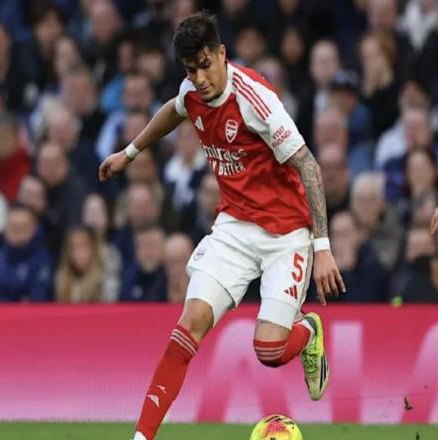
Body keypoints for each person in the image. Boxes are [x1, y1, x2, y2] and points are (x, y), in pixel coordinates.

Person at [98, 12, 344, 440]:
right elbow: (173, 111)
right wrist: (130, 152)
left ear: (222, 53)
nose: (200, 78)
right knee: (187, 326)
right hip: (234, 226)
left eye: (205, 65)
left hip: (286, 232)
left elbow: (308, 165)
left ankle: (307, 332)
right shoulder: (191, 91)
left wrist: (322, 247)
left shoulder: (255, 100)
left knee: (269, 349)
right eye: (190, 70)